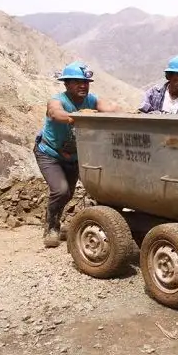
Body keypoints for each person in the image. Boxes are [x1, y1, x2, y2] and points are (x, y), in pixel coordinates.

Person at [35, 61, 122, 248]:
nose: (83, 86)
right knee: (60, 190)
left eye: (85, 82)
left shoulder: (92, 100)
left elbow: (111, 108)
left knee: (68, 193)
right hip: (50, 153)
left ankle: (57, 222)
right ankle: (51, 228)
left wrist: (119, 112)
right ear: (66, 84)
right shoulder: (57, 100)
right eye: (77, 82)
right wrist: (78, 117)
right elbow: (55, 113)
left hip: (75, 157)